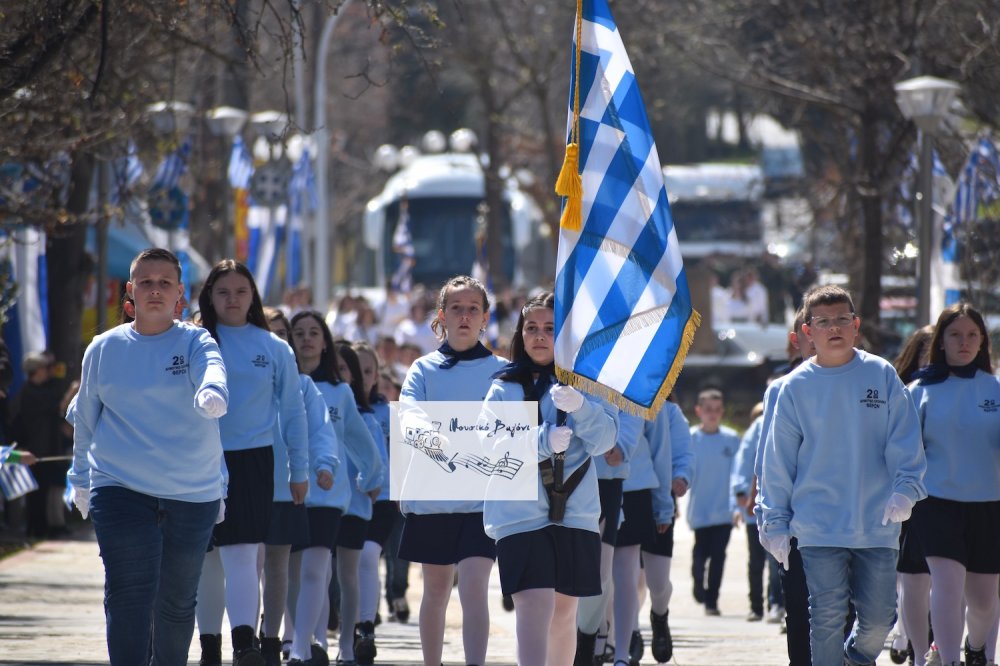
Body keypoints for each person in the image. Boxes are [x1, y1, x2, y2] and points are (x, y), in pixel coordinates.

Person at [68, 248, 229, 665]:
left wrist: (213, 390)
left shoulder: (196, 340)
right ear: (130, 292)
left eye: (164, 283)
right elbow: (85, 418)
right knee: (129, 593)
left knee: (176, 603)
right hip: (120, 487)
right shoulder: (103, 349)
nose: (154, 290)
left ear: (180, 293)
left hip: (191, 491)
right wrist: (80, 478)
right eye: (146, 282)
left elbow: (212, 366)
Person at [759, 284, 927, 666]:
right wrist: (774, 521)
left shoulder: (881, 374)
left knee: (880, 620)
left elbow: (905, 439)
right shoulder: (795, 388)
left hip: (878, 521)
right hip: (817, 524)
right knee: (827, 616)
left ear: (856, 325)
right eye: (822, 322)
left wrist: (905, 491)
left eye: (841, 320)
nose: (833, 328)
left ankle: (854, 659)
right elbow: (778, 461)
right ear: (809, 331)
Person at [482, 291, 618, 666]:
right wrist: (541, 440)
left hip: (574, 512)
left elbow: (606, 439)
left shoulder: (587, 384)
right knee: (534, 606)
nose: (539, 336)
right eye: (531, 328)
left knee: (563, 616)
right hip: (520, 514)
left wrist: (583, 407)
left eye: (550, 328)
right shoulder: (504, 387)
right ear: (520, 334)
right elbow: (491, 445)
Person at [196, 259, 310, 666]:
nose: (232, 299)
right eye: (223, 291)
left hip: (254, 462)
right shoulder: (193, 340)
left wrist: (300, 470)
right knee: (208, 559)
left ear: (254, 297)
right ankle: (210, 646)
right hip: (198, 459)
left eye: (241, 291)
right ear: (209, 295)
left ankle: (245, 643)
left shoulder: (273, 347)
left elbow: (293, 413)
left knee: (243, 553)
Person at [397, 275, 507, 666]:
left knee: (475, 587)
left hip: (483, 501)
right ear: (442, 316)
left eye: (473, 309)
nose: (465, 316)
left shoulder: (504, 371)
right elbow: (408, 415)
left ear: (485, 317)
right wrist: (435, 442)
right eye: (456, 308)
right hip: (433, 499)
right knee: (437, 588)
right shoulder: (423, 369)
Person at [907, 304, 1000, 666]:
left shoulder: (995, 388)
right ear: (941, 341)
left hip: (989, 503)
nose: (964, 342)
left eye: (972, 335)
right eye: (955, 335)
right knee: (945, 584)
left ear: (982, 342)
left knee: (982, 600)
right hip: (935, 502)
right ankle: (947, 660)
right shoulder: (920, 390)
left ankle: (976, 649)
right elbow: (902, 449)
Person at [289, 311, 382, 666]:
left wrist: (372, 478)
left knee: (319, 571)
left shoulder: (341, 392)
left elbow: (361, 441)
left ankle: (320, 645)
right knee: (289, 574)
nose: (307, 339)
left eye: (314, 332)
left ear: (325, 341)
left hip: (330, 496)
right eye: (299, 333)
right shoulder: (282, 384)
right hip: (287, 492)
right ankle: (305, 639)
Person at [256, 308, 338, 666]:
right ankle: (235, 633)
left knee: (281, 569)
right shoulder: (244, 382)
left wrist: (322, 465)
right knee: (247, 565)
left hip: (286, 491)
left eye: (282, 336)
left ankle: (274, 640)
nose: (278, 342)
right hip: (241, 488)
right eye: (268, 334)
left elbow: (320, 431)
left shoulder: (303, 387)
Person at [891, 324, 935, 666]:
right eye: (924, 351)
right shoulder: (903, 391)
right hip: (906, 496)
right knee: (910, 576)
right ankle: (907, 633)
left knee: (945, 581)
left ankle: (933, 644)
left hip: (947, 495)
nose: (930, 358)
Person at [686, 388, 739, 617]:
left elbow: (740, 473)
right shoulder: (691, 438)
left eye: (717, 410)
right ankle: (698, 583)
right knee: (700, 555)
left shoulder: (731, 439)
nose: (713, 414)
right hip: (700, 510)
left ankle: (712, 601)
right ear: (699, 411)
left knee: (718, 557)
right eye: (708, 410)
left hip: (723, 512)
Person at [10, 351, 66, 539]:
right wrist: (73, 391)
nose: (47, 371)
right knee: (36, 492)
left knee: (44, 489)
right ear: (36, 371)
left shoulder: (41, 389)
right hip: (34, 448)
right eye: (44, 368)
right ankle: (36, 529)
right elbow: (57, 406)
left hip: (45, 446)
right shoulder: (29, 392)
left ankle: (42, 527)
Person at [732, 401, 773, 622]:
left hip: (770, 504)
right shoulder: (757, 429)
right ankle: (757, 605)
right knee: (758, 560)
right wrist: (741, 493)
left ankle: (773, 602)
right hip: (754, 506)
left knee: (774, 561)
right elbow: (743, 462)